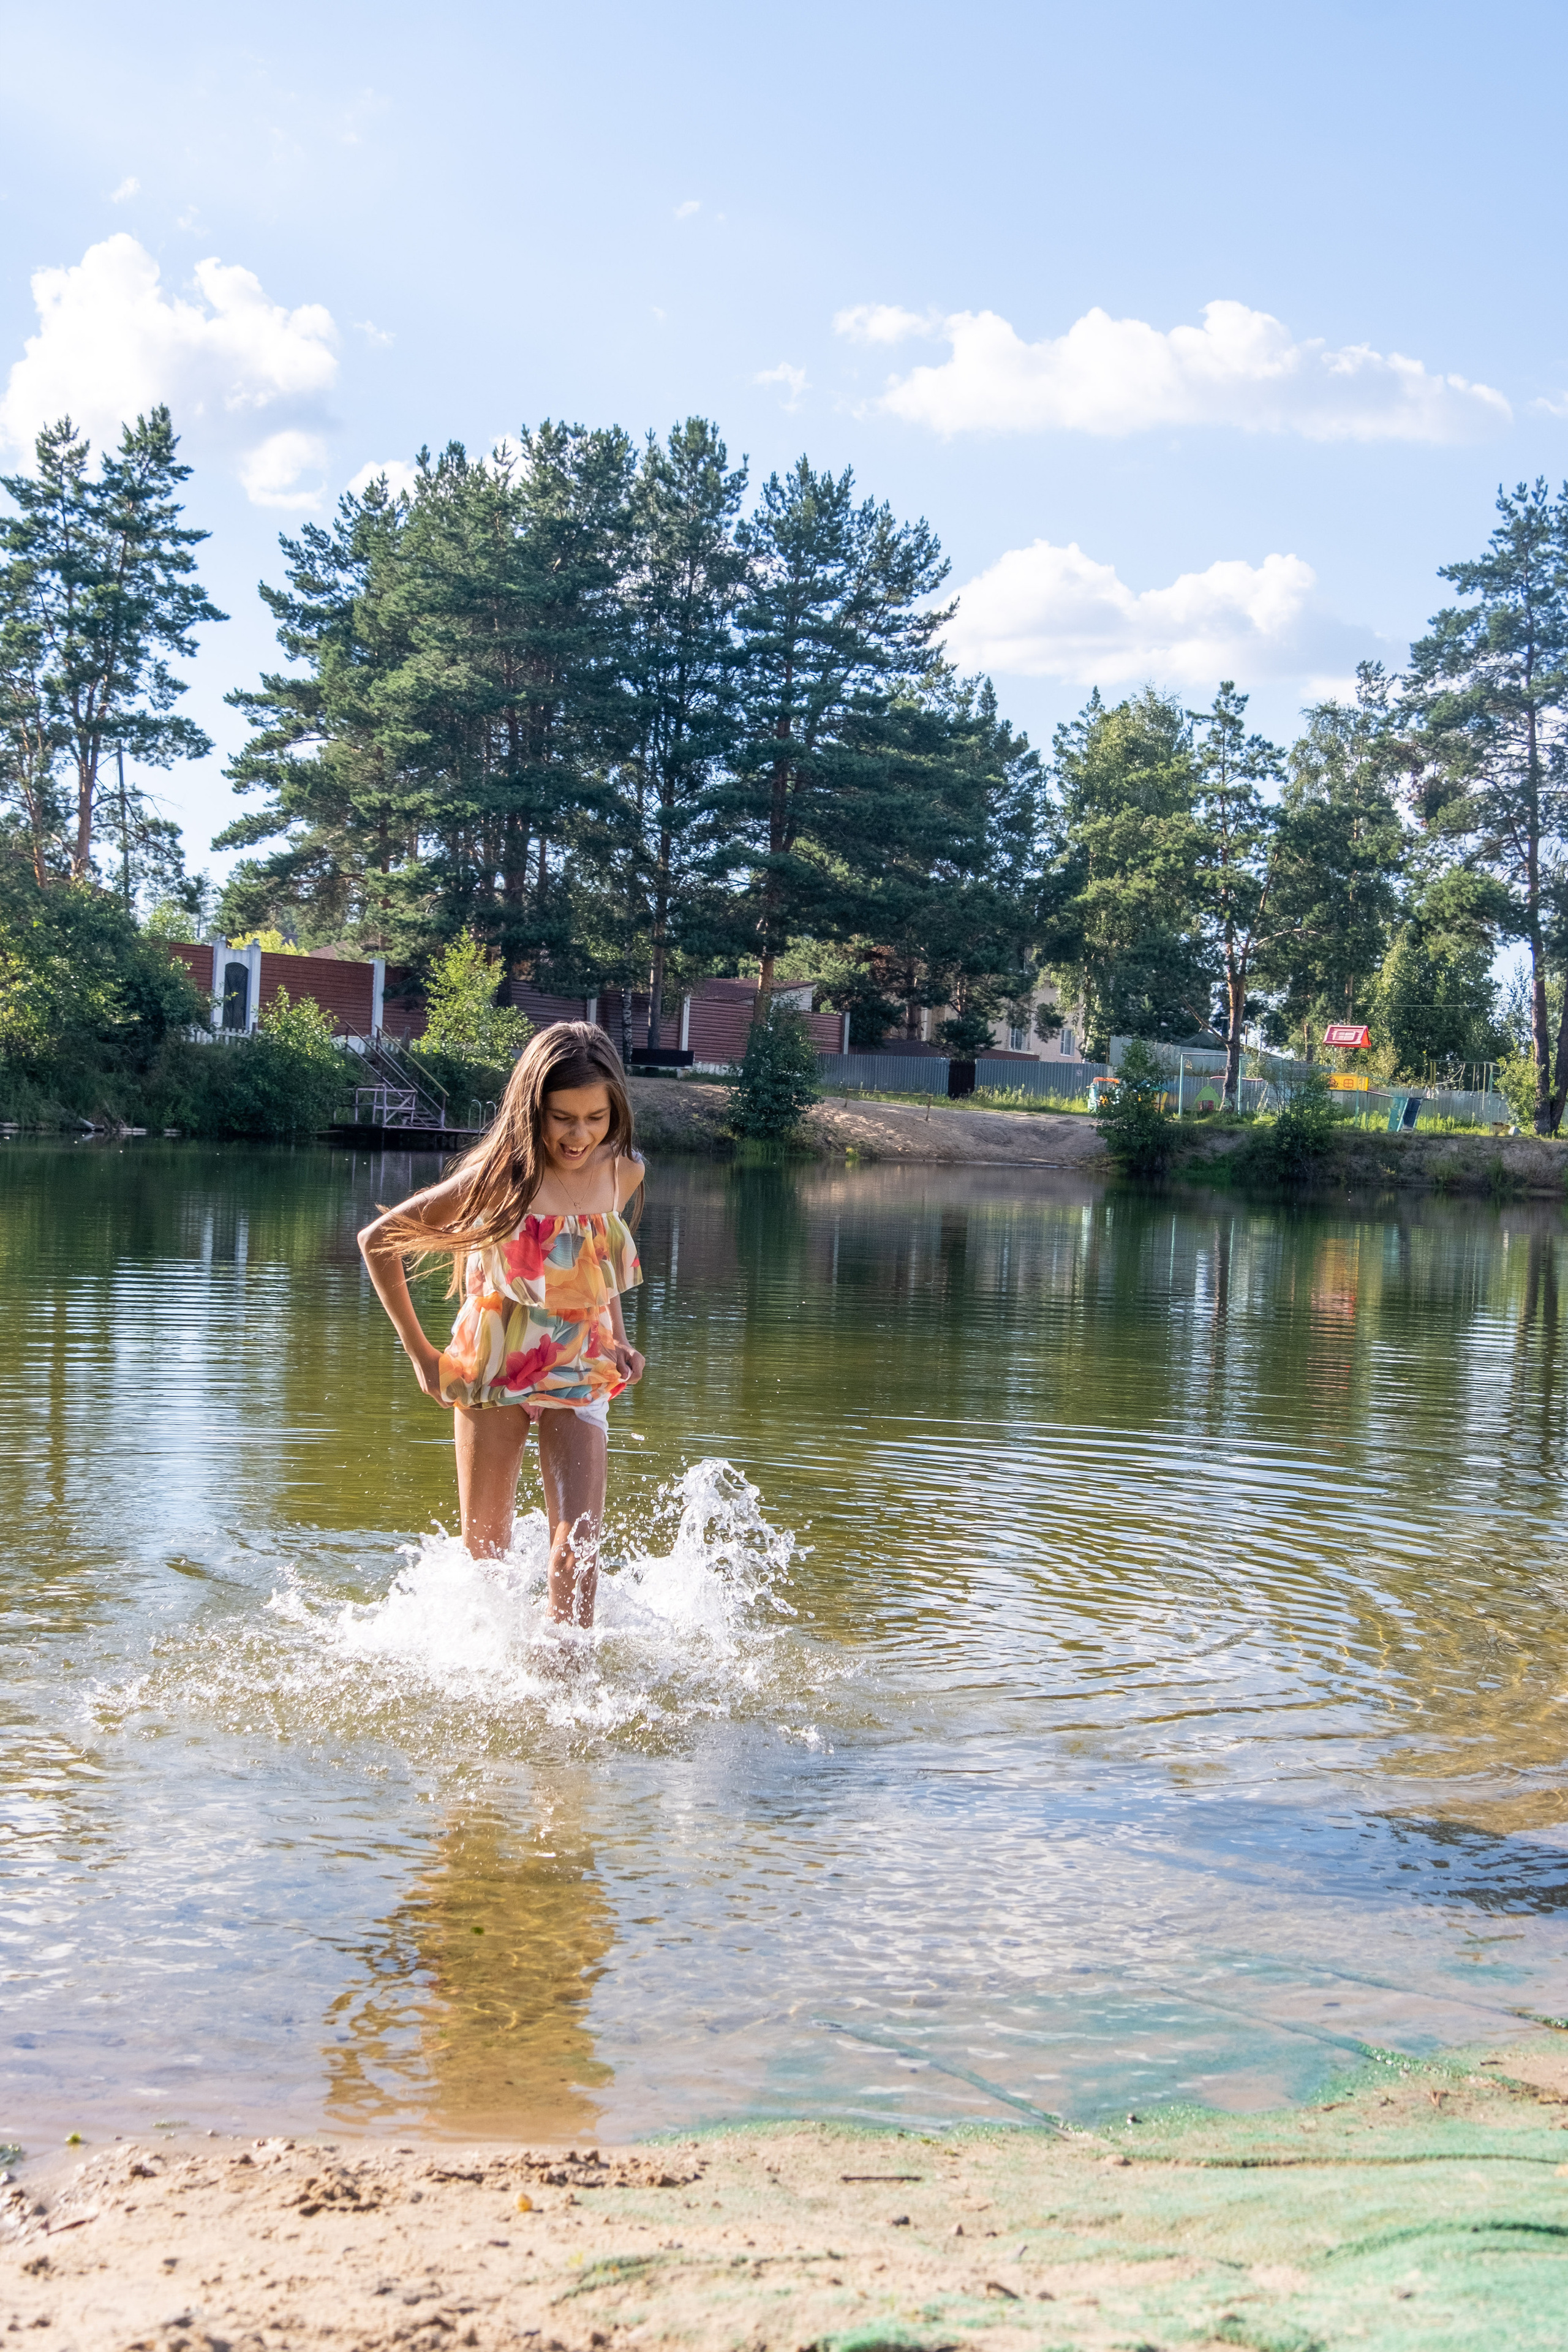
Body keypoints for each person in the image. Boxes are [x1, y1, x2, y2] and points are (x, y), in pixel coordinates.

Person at [358, 1021, 646, 1626]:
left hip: (578, 1371)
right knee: (484, 1562)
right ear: (531, 1108)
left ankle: (568, 1703)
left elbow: (596, 1262)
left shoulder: (622, 1173)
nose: (579, 1135)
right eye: (562, 1117)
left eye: (595, 1118)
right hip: (492, 1373)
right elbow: (378, 1241)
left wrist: (619, 1338)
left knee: (579, 1558)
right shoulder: (500, 1179)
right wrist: (420, 1354)